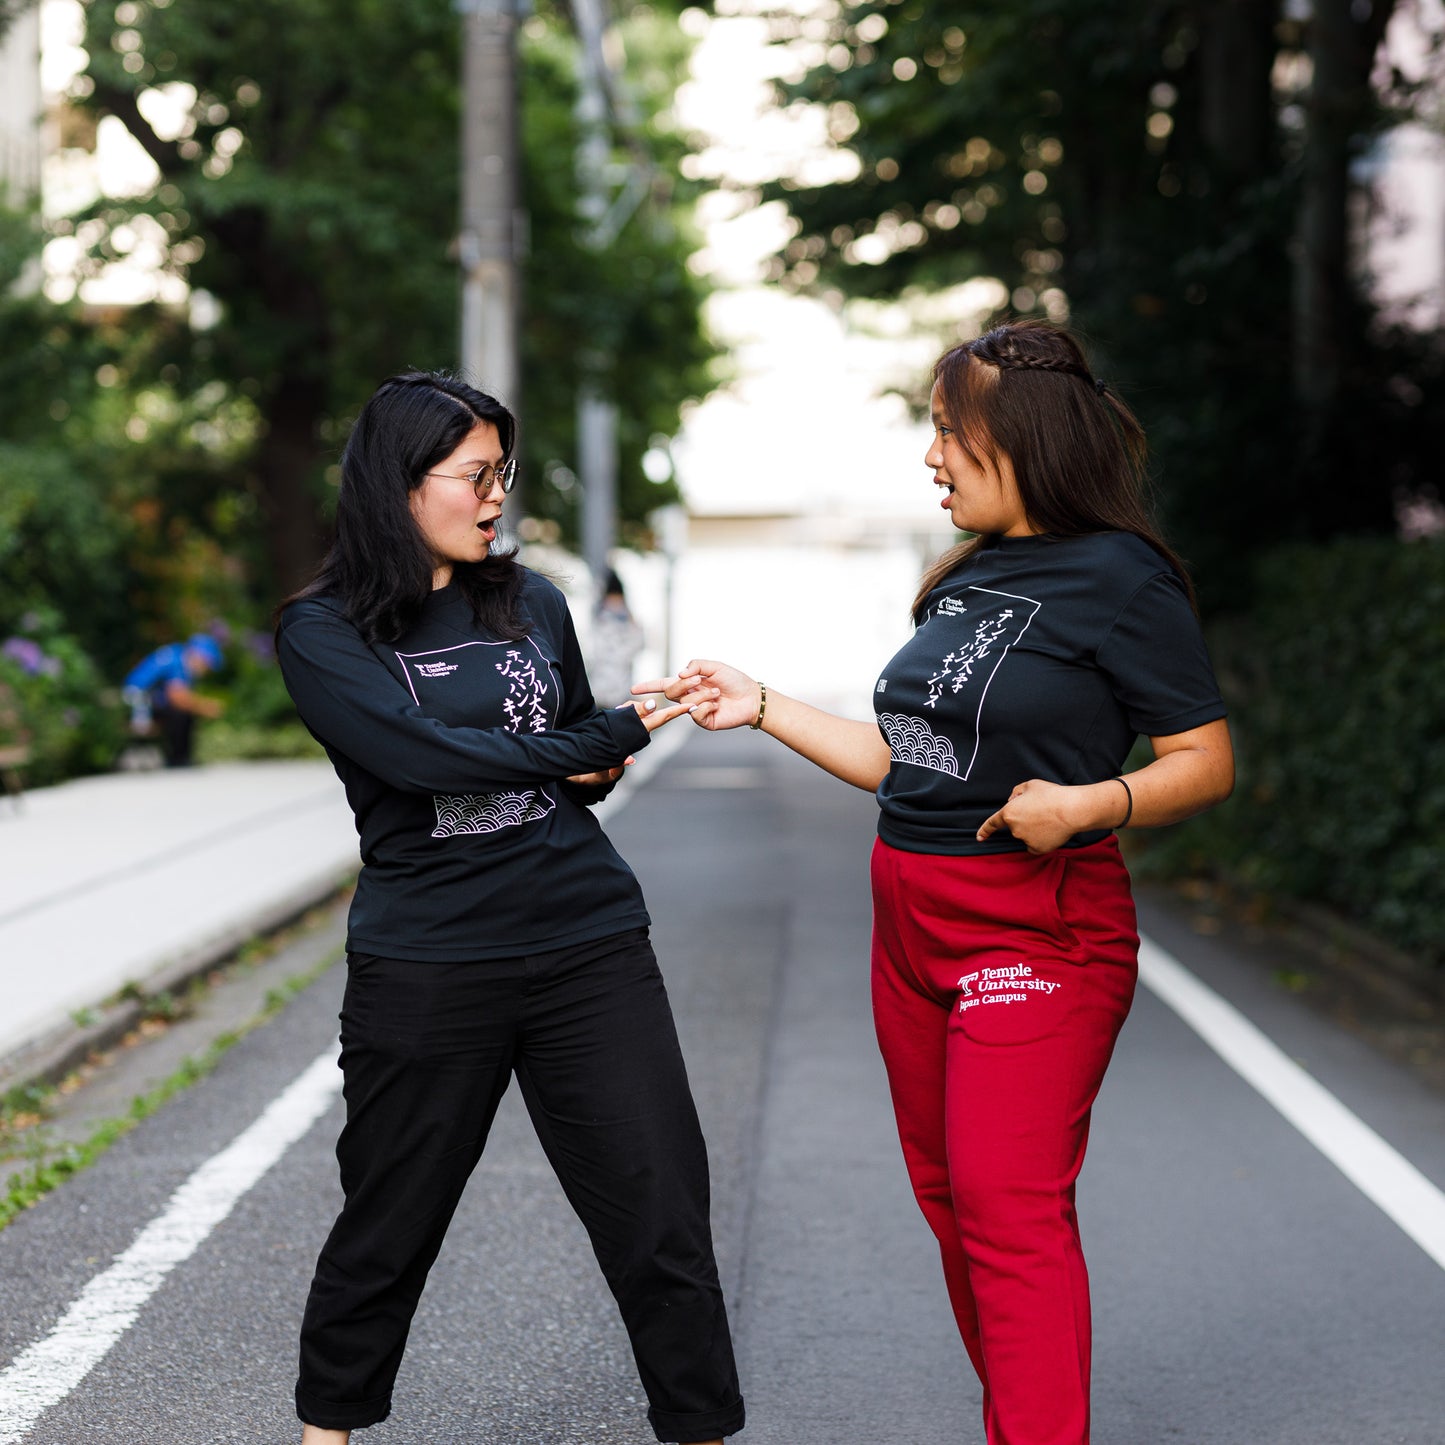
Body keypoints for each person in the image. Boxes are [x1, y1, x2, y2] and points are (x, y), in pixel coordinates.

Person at [639, 320, 1234, 1445]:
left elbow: (1204, 759)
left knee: (1009, 1209)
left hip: (1035, 926)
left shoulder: (1122, 577)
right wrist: (758, 702)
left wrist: (1088, 803)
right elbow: (900, 762)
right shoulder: (963, 577)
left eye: (945, 432)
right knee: (953, 1204)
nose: (930, 458)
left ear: (1018, 438)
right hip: (906, 922)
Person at [275, 371, 742, 1445]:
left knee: (660, 1210)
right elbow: (422, 756)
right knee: (389, 1220)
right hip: (429, 961)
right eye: (474, 476)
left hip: (587, 942)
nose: (496, 498)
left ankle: (703, 1428)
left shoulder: (531, 600)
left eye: (502, 475)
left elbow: (573, 754)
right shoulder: (324, 630)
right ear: (399, 484)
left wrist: (595, 754)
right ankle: (327, 1431)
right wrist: (602, 737)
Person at [121, 633, 225, 767]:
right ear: (198, 656)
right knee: (181, 714)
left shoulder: (177, 655)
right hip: (138, 705)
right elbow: (177, 698)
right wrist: (205, 707)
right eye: (207, 664)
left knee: (182, 712)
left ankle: (180, 758)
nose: (206, 670)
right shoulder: (178, 662)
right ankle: (178, 760)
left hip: (146, 701)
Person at [587, 568, 647, 708]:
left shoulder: (623, 620)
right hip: (603, 687)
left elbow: (638, 646)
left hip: (617, 687)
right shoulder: (601, 620)